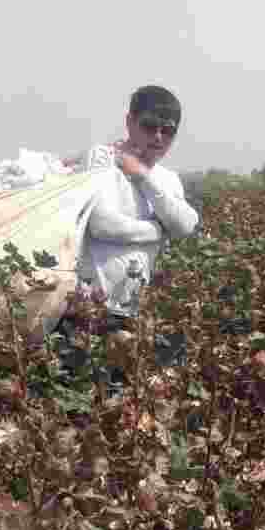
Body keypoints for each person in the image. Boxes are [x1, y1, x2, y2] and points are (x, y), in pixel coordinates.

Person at [52, 85, 200, 391]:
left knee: (117, 406)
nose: (158, 137)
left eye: (168, 131)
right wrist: (158, 231)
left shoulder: (167, 179)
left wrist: (141, 176)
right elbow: (102, 224)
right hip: (85, 309)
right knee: (74, 401)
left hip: (133, 313)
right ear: (130, 121)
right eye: (149, 126)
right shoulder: (101, 157)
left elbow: (185, 225)